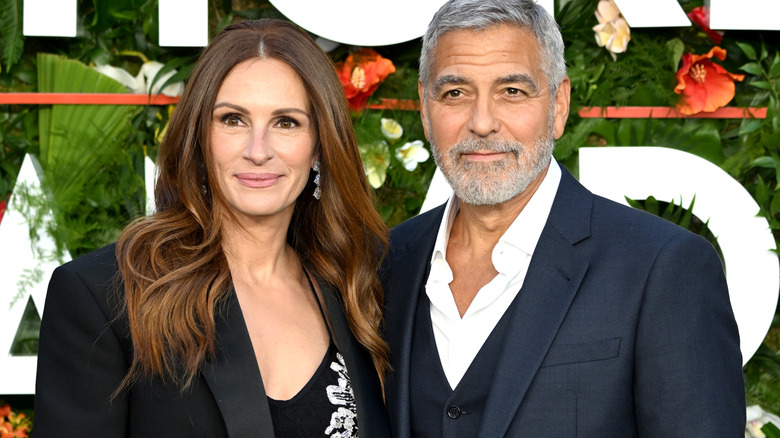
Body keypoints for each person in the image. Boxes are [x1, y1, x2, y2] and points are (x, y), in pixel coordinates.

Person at [380, 0, 746, 436]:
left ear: (558, 105)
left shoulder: (663, 268)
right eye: (455, 93)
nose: (481, 123)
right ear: (424, 107)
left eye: (512, 91)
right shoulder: (384, 263)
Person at [34, 19, 391, 437]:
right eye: (233, 120)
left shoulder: (355, 288)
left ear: (319, 145)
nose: (258, 151)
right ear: (199, 137)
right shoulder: (106, 296)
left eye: (287, 122)